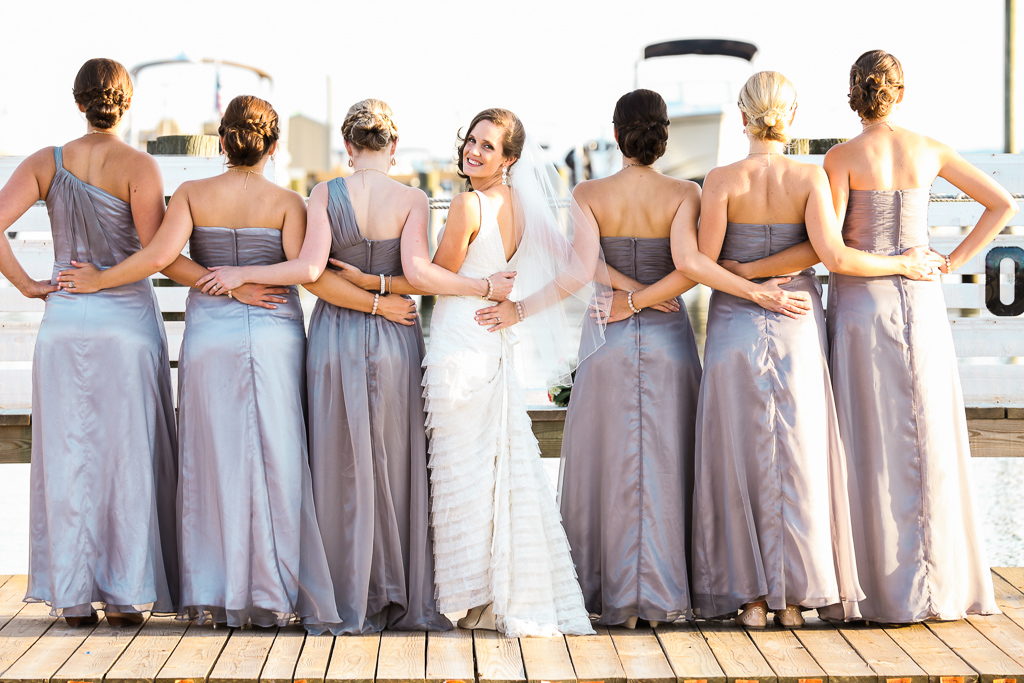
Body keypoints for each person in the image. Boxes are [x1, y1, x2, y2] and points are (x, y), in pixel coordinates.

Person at [60, 95, 342, 633]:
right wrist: (247, 282)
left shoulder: (191, 193)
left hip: (210, 334)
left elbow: (161, 257)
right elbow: (301, 271)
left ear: (221, 142)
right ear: (274, 147)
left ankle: (217, 589)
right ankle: (273, 588)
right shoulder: (288, 201)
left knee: (213, 460)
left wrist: (216, 283)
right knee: (277, 458)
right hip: (275, 332)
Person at [694, 70, 948, 629]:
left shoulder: (719, 180)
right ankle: (796, 598)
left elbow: (708, 265)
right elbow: (828, 250)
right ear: (791, 118)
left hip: (737, 322)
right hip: (799, 322)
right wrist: (905, 263)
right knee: (802, 455)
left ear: (743, 117)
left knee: (738, 454)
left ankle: (753, 599)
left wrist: (750, 285)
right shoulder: (810, 175)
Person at [818, 50, 1014, 622]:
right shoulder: (930, 149)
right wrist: (950, 261)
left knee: (868, 442)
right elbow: (1001, 204)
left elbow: (835, 256)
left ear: (854, 95)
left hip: (861, 307)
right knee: (929, 440)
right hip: (923, 301)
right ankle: (940, 584)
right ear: (900, 92)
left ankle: (876, 591)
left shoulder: (840, 159)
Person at [0, 58, 177, 627]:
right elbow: (155, 253)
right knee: (126, 457)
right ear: (126, 105)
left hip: (64, 321)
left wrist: (28, 284)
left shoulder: (45, 163)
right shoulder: (140, 167)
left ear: (78, 103)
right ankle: (126, 594)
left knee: (68, 456)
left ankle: (74, 597)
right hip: (125, 326)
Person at [421, 108, 600, 637]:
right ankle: (491, 596)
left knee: (462, 474)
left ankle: (474, 600)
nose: (473, 151)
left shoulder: (466, 204)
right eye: (471, 141)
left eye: (488, 147)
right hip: (495, 342)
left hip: (460, 341)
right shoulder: (524, 205)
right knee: (492, 471)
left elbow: (436, 276)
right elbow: (576, 270)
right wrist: (519, 309)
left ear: (510, 160)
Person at [557, 89, 703, 628]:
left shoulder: (588, 191)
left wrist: (625, 297)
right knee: (669, 461)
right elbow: (693, 267)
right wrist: (647, 296)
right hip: (668, 338)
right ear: (664, 135)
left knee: (607, 464)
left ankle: (607, 589)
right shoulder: (686, 192)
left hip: (606, 336)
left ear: (615, 134)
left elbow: (584, 266)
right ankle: (669, 586)